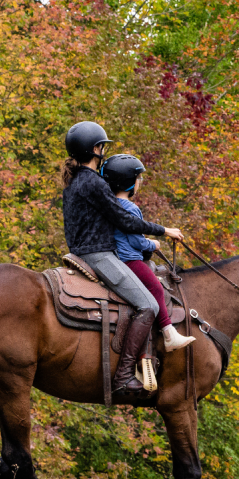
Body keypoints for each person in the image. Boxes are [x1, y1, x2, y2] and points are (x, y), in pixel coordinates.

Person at [60, 121, 185, 403]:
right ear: (95, 149)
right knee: (149, 304)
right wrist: (165, 231)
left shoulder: (75, 182)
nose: (103, 151)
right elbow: (125, 220)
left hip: (82, 250)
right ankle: (124, 376)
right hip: (98, 255)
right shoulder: (93, 182)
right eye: (102, 146)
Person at [102, 153, 195, 355]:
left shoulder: (109, 206)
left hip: (114, 259)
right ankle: (169, 334)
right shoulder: (130, 208)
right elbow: (136, 241)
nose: (140, 182)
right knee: (156, 289)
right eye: (138, 178)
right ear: (129, 182)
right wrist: (153, 244)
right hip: (130, 261)